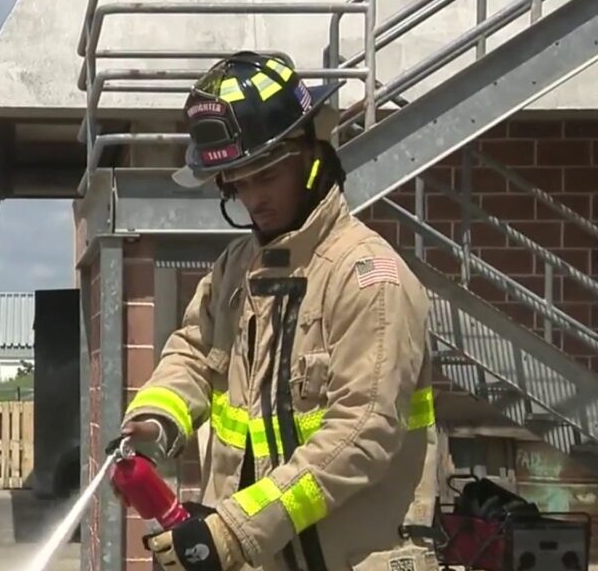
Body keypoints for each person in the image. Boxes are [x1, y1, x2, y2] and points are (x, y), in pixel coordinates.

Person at [118, 50, 438, 571]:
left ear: (311, 157)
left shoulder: (368, 277)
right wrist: (155, 422)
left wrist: (235, 529)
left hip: (352, 558)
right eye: (237, 184)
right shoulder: (237, 267)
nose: (252, 200)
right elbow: (194, 353)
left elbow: (363, 433)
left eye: (264, 177)